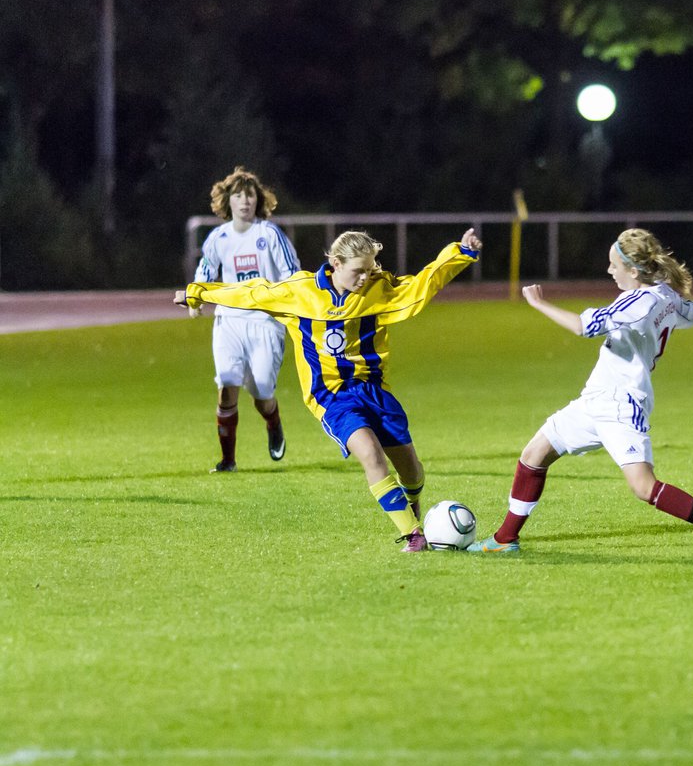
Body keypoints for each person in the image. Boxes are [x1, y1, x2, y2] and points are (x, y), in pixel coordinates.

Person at [469, 228, 693, 557]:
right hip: (595, 399)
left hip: (621, 404)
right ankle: (504, 539)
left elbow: (584, 327)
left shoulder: (639, 305)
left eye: (614, 265)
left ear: (633, 269)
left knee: (644, 488)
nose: (609, 270)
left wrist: (539, 304)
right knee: (533, 455)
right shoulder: (663, 295)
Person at [175, 228, 482, 552]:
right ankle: (414, 536)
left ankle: (413, 504)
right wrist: (197, 293)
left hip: (373, 390)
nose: (365, 277)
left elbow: (423, 284)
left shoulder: (379, 290)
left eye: (370, 269)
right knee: (370, 455)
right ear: (335, 263)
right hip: (331, 396)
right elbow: (251, 292)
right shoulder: (301, 292)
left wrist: (460, 252)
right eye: (357, 270)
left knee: (411, 469)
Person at [191, 166, 301, 472]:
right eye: (238, 195)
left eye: (250, 195)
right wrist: (196, 297)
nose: (245, 201)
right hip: (229, 321)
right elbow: (205, 271)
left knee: (263, 391)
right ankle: (228, 461)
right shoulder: (218, 238)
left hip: (266, 322)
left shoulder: (270, 235)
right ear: (228, 201)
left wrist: (296, 302)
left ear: (258, 200)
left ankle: (273, 419)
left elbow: (292, 274)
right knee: (227, 382)